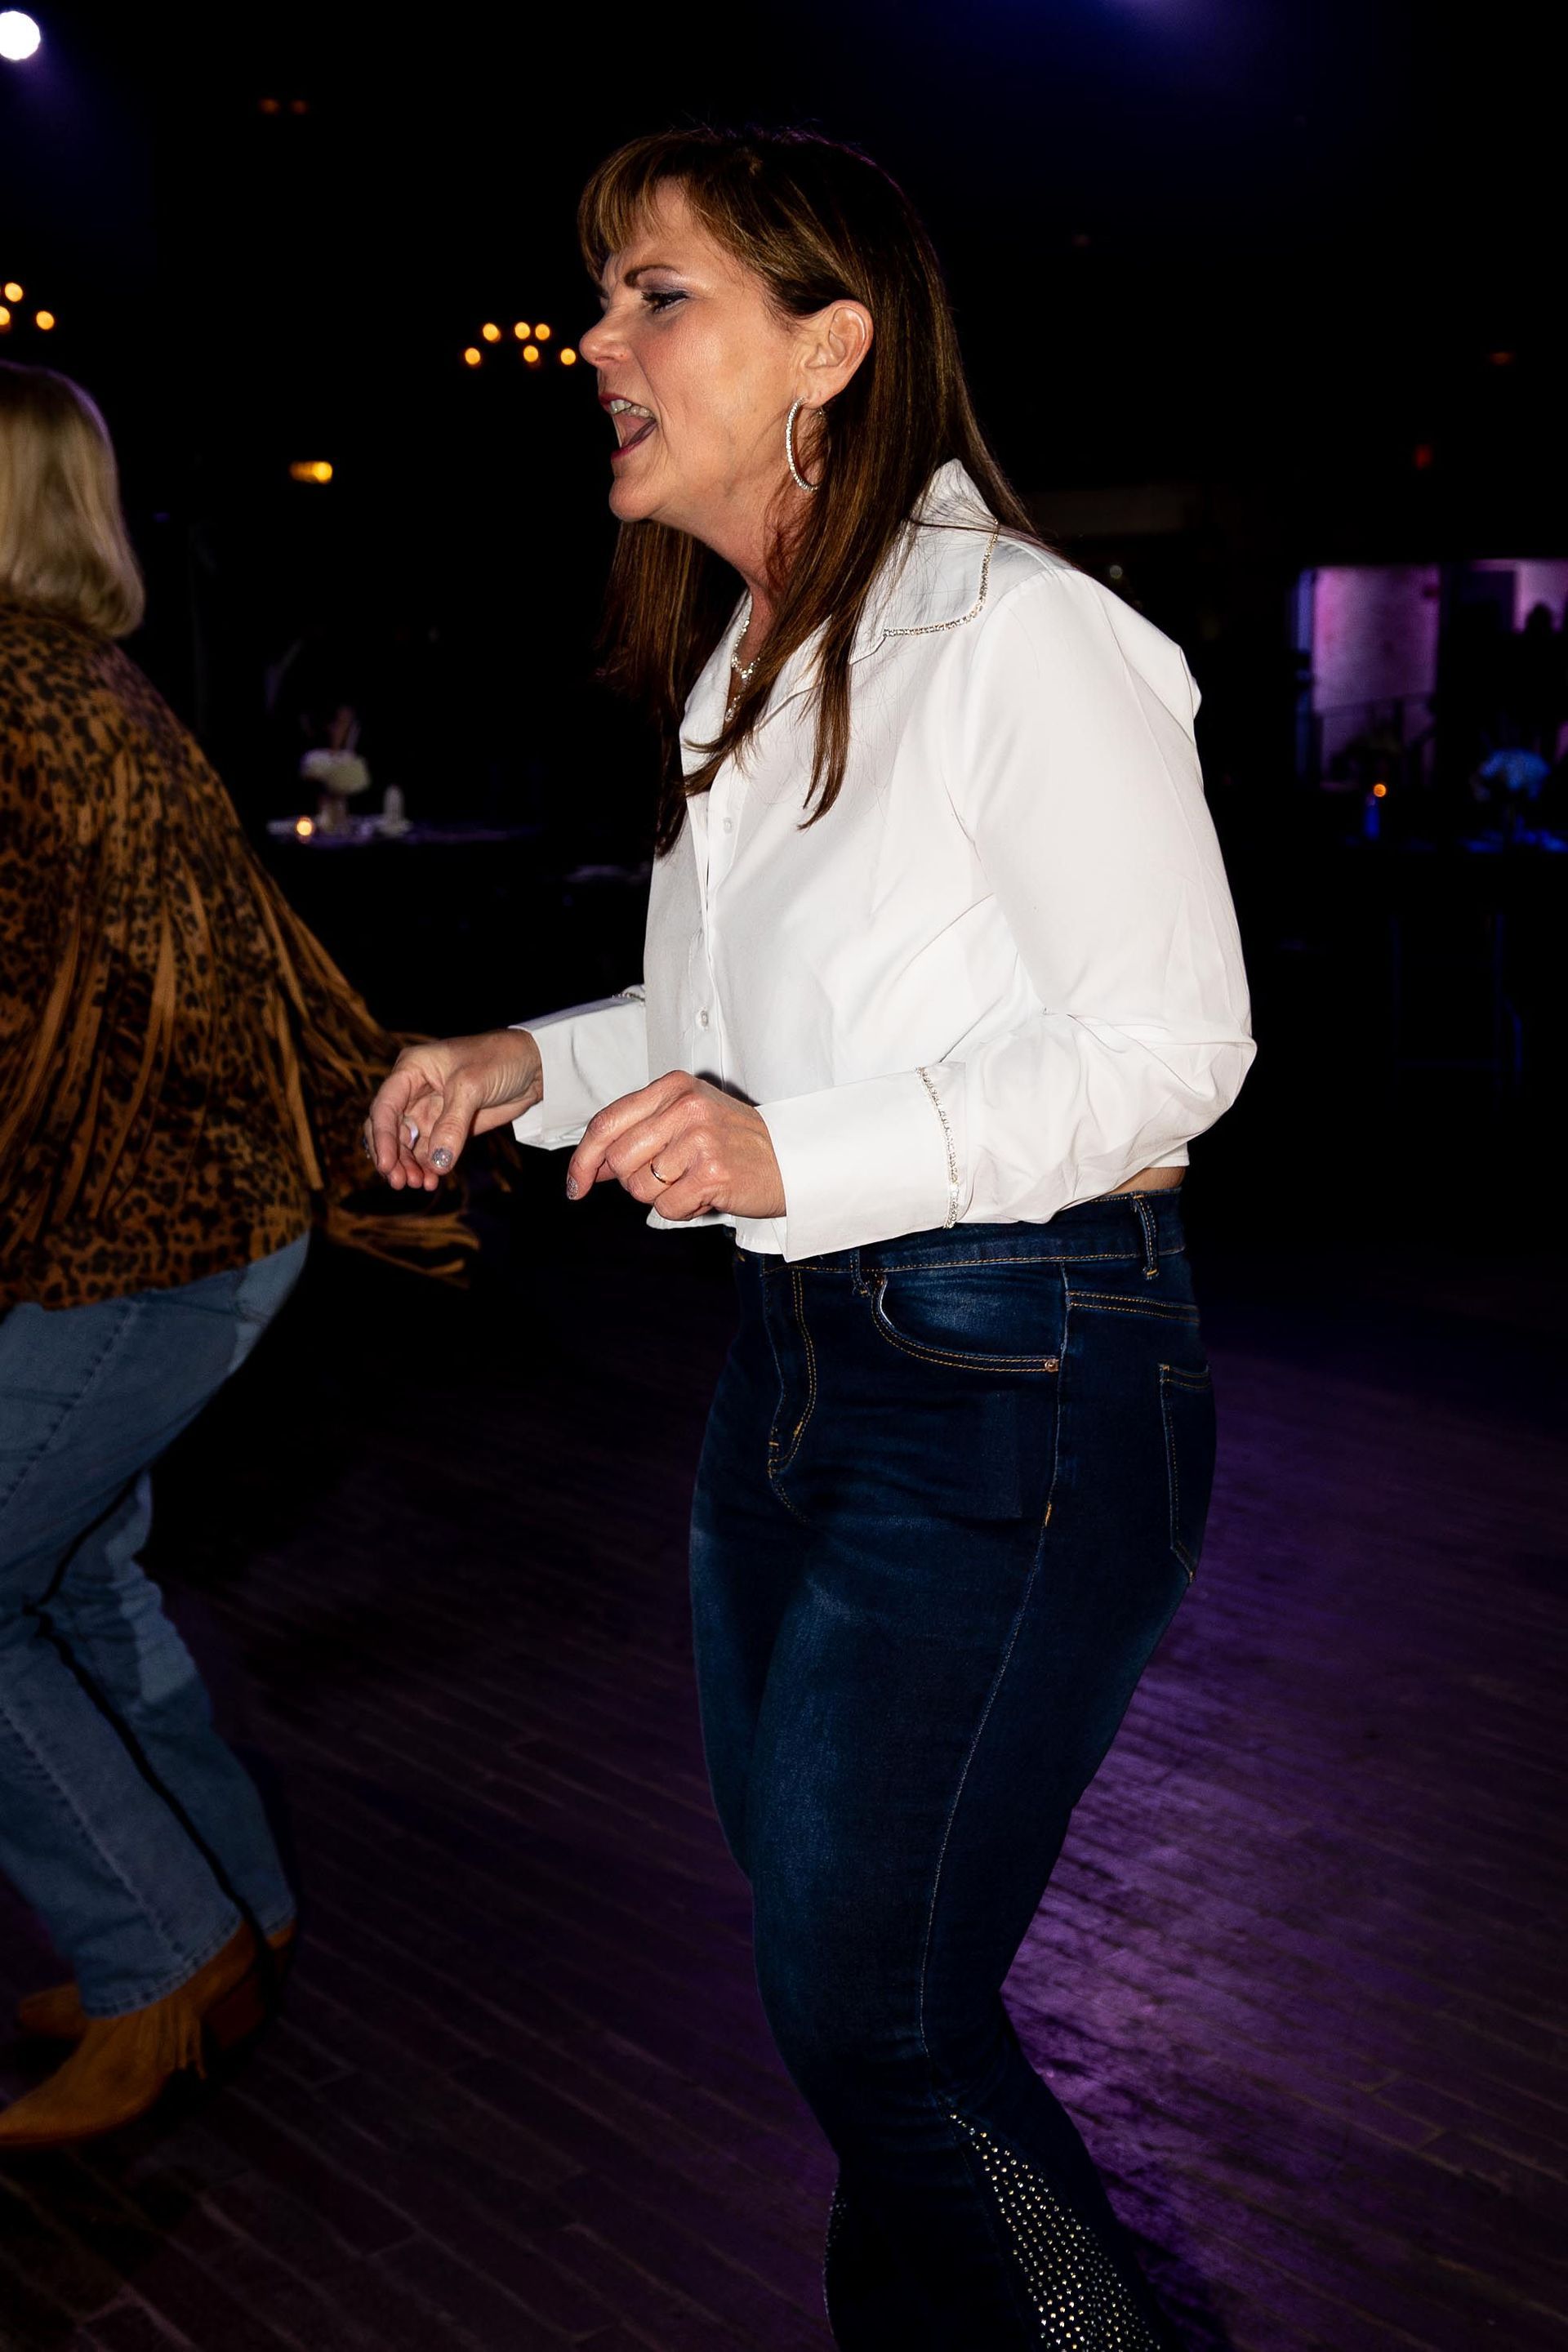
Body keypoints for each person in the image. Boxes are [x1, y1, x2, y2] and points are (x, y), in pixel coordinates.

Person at [368, 128, 1254, 2349]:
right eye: (603, 296)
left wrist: (792, 1158)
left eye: (654, 295)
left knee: (877, 2017)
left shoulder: (1024, 640)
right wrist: (523, 1066)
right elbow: (727, 1033)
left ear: (828, 348)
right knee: (841, 1993)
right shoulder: (755, 664)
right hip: (802, 1380)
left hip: (1018, 1381)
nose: (596, 343)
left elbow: (1174, 1048)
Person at [0, 361, 470, 2151]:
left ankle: (159, 1954)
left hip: (134, 1240)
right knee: (77, 1578)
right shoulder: (99, 687)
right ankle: (227, 1907)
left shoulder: (17, 696)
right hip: (197, 1225)